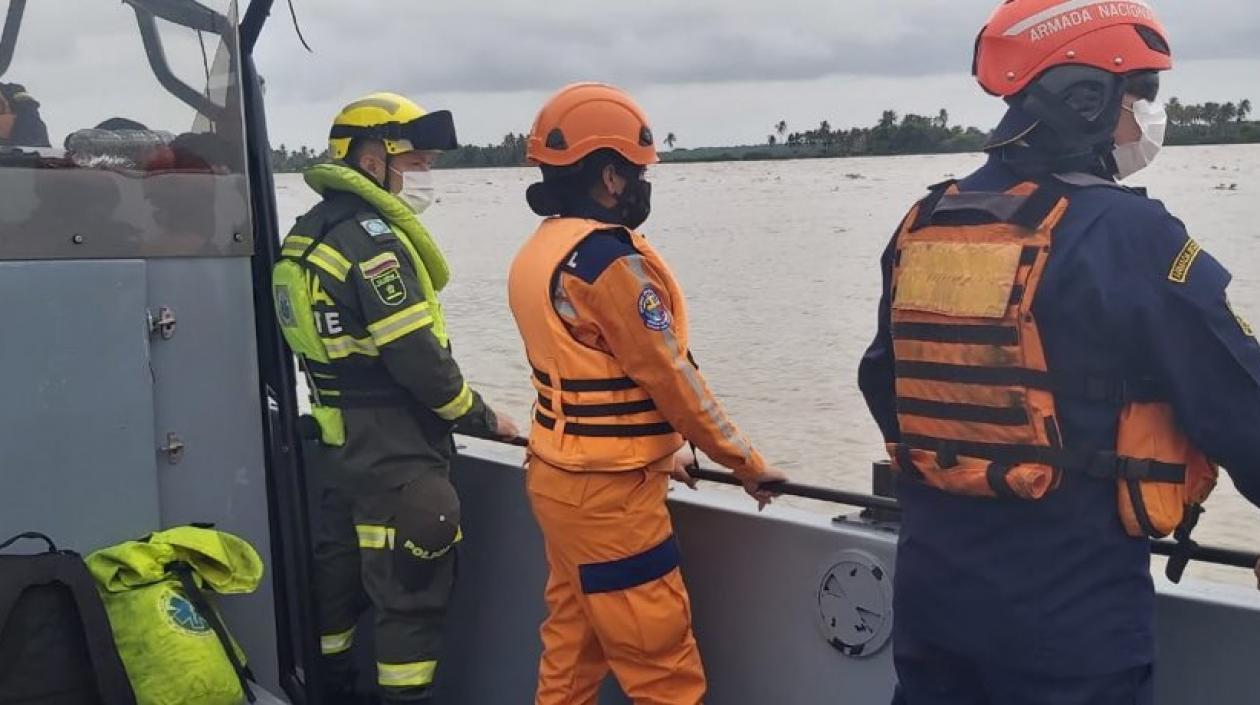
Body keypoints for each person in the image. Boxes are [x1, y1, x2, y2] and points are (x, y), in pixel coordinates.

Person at [859, 2, 1260, 704]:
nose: (1145, 119)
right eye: (1138, 96)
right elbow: (1238, 398)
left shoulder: (923, 224)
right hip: (1070, 624)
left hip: (933, 608)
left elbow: (883, 383)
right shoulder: (1130, 233)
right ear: (1085, 98)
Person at [507, 82, 789, 705]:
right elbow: (670, 377)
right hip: (611, 501)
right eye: (636, 171)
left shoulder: (541, 252)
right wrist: (745, 463)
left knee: (572, 655)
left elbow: (590, 372)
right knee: (663, 668)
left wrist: (664, 453)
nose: (640, 184)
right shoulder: (607, 263)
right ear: (609, 175)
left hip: (558, 480)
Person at [270, 91, 519, 703]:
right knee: (410, 600)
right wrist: (484, 417)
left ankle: (330, 691)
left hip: (339, 445)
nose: (425, 177)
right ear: (372, 158)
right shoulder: (373, 243)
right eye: (418, 163)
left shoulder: (306, 235)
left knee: (337, 587)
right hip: (396, 453)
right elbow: (417, 360)